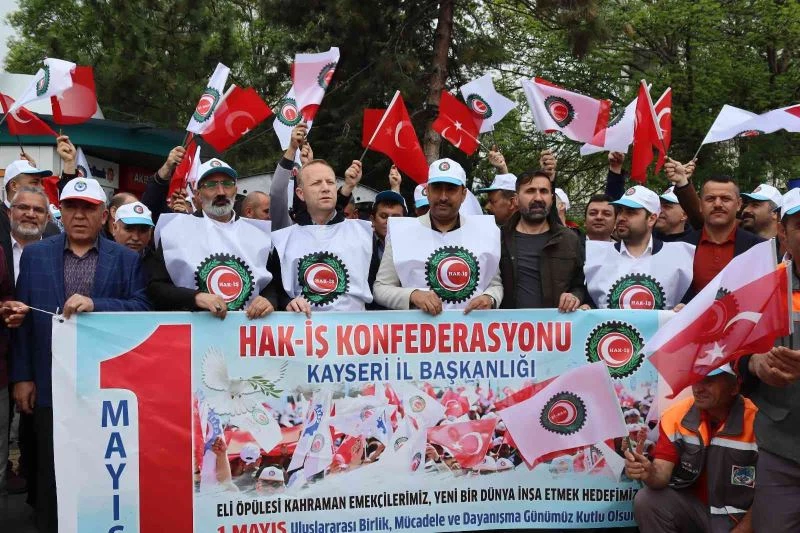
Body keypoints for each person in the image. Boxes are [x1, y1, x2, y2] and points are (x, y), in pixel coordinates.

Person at [6, 176, 150, 532]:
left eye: (88, 208)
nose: (80, 215)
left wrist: (97, 305)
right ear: (61, 212)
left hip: (104, 386)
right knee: (50, 467)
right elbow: (24, 321)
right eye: (71, 207)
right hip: (49, 383)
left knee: (100, 465)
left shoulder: (125, 259)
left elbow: (141, 308)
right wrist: (22, 377)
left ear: (104, 216)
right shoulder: (37, 255)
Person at [735, 186, 800, 532]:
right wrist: (754, 363)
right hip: (780, 449)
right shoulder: (759, 285)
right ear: (782, 232)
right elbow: (730, 351)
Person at [625, 365, 757, 533]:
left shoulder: (759, 422)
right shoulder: (675, 416)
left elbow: (771, 492)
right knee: (647, 500)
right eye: (695, 379)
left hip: (741, 520)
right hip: (696, 512)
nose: (698, 388)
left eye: (709, 381)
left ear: (735, 387)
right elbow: (661, 474)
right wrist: (648, 471)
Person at [146, 159, 275, 319]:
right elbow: (155, 288)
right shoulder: (174, 230)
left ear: (235, 190)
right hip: (193, 329)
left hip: (247, 329)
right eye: (211, 185)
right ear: (198, 194)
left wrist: (269, 300)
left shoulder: (257, 234)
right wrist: (196, 298)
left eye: (227, 184)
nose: (221, 192)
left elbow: (272, 284)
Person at [373, 158, 503, 314]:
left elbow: (495, 284)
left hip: (471, 327)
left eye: (451, 189)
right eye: (436, 188)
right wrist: (412, 295)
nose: (443, 197)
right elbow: (380, 288)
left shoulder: (485, 232)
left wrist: (490, 298)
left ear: (463, 194)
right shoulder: (401, 233)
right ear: (427, 191)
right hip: (420, 328)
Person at [270, 159, 377, 314]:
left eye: (330, 182)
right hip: (303, 326)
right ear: (300, 193)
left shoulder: (364, 234)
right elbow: (276, 290)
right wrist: (288, 302)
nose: (325, 188)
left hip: (354, 327)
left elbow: (375, 287)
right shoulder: (283, 240)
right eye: (316, 183)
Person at [584, 186, 695, 310]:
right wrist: (585, 305)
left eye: (630, 212)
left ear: (651, 219)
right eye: (620, 211)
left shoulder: (681, 256)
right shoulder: (595, 255)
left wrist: (685, 307)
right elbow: (589, 300)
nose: (621, 217)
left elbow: (694, 301)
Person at [498, 170, 585, 311]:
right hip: (508, 324)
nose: (538, 198)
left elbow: (580, 285)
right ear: (516, 199)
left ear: (552, 198)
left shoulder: (569, 239)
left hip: (556, 324)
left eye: (544, 191)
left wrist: (575, 296)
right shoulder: (499, 238)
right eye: (530, 191)